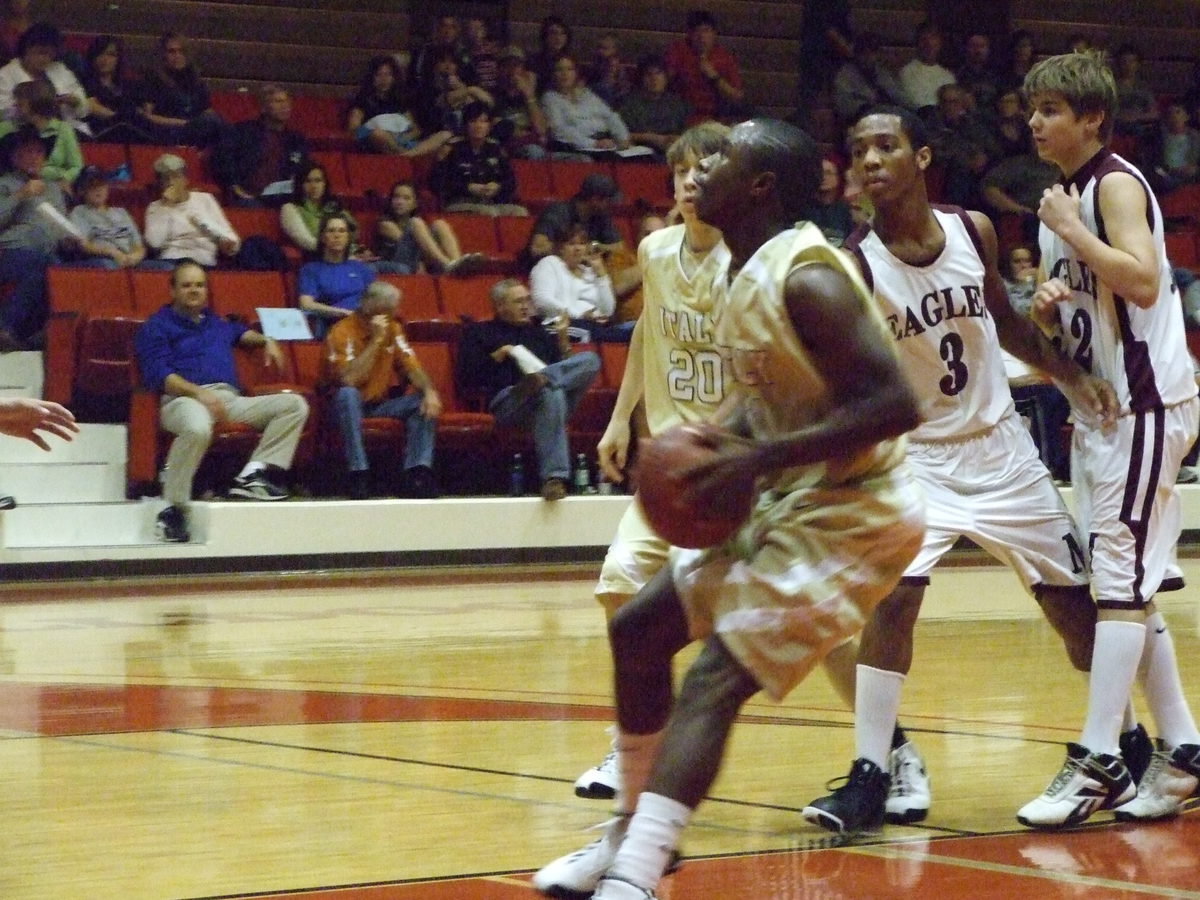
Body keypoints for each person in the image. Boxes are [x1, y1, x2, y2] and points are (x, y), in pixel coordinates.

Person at [532, 118, 925, 900]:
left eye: (723, 161)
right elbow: (775, 393)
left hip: (856, 514)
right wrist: (719, 439)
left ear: (760, 187)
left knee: (714, 677)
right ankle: (629, 836)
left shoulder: (808, 278)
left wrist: (754, 458)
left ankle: (637, 874)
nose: (701, 171)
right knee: (637, 628)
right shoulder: (742, 270)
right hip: (795, 498)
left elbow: (893, 405)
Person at [800, 104, 1118, 836]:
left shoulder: (973, 229)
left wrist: (1070, 375)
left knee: (1075, 613)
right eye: (858, 150)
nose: (870, 160)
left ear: (922, 157)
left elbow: (1004, 324)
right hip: (921, 457)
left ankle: (1122, 742)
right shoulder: (853, 265)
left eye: (886, 146)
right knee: (894, 601)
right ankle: (871, 772)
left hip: (1003, 448)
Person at [1018, 51, 1200, 828]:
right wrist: (1047, 308)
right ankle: (1185, 750)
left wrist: (1072, 234)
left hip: (1146, 405)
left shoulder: (1114, 185)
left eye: (1051, 110)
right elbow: (1085, 310)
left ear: (1092, 117)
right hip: (1103, 413)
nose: (1034, 122)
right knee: (1130, 587)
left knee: (1117, 586)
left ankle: (1098, 756)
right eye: (1032, 109)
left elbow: (1147, 279)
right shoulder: (1059, 203)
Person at [134, 259, 310, 543]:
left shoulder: (216, 323)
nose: (194, 290)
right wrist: (198, 393)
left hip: (228, 399)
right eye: (187, 285)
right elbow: (159, 375)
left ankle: (253, 475)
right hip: (182, 400)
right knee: (197, 427)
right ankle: (173, 508)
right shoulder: (156, 326)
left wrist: (267, 340)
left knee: (294, 405)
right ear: (173, 290)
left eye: (200, 285)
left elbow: (242, 333)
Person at [456, 279, 600, 501]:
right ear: (500, 306)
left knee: (589, 360)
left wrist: (563, 342)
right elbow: (467, 378)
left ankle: (542, 380)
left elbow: (569, 371)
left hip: (548, 402)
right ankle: (554, 478)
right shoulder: (478, 333)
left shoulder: (540, 334)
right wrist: (498, 356)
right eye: (518, 301)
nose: (526, 306)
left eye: (527, 300)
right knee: (553, 392)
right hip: (509, 402)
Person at [324, 280, 441, 499]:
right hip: (343, 407)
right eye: (387, 310)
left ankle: (417, 473)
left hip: (378, 404)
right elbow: (349, 380)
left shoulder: (394, 328)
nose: (394, 314)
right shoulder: (341, 331)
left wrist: (429, 392)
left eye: (393, 310)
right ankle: (358, 473)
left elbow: (412, 368)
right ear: (368, 306)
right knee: (348, 394)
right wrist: (376, 341)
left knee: (422, 401)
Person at [0, 124, 78, 351]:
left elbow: (62, 226)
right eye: (28, 151)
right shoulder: (5, 184)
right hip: (10, 253)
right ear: (15, 157)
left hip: (48, 255)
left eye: (39, 152)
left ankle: (45, 336)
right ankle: (5, 326)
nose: (34, 157)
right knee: (46, 265)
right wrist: (20, 195)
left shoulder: (53, 189)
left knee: (67, 269)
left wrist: (68, 241)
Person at [210, 84, 310, 208]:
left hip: (283, 197)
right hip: (249, 195)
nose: (285, 106)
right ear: (263, 107)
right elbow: (222, 159)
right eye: (278, 101)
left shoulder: (297, 139)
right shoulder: (243, 131)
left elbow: (304, 169)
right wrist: (234, 186)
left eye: (287, 102)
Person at [143, 152, 240, 269]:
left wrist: (224, 241)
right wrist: (166, 207)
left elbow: (232, 240)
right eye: (165, 178)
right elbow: (155, 243)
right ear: (160, 183)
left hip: (204, 262)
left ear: (185, 179)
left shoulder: (205, 199)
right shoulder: (155, 207)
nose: (171, 182)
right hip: (172, 262)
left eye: (176, 176)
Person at [346, 55, 450, 157]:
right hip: (377, 141)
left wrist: (400, 138)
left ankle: (405, 155)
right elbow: (354, 130)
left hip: (401, 141)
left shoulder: (399, 100)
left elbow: (415, 130)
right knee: (379, 134)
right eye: (379, 75)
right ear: (372, 78)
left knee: (445, 135)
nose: (384, 79)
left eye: (388, 75)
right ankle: (405, 156)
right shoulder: (363, 101)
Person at [434, 102, 526, 216]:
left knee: (520, 212)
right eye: (473, 121)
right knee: (487, 213)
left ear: (489, 126)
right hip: (460, 202)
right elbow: (438, 182)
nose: (478, 126)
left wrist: (498, 187)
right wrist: (468, 187)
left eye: (483, 121)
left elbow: (511, 181)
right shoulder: (452, 148)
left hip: (492, 202)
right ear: (466, 125)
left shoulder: (496, 149)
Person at [373, 180, 481, 275]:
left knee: (439, 224)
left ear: (415, 204)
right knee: (416, 222)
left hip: (419, 259)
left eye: (406, 198)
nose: (400, 202)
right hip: (397, 261)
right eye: (396, 197)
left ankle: (457, 263)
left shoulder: (417, 221)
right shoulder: (385, 223)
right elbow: (412, 246)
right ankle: (448, 265)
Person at [530, 221, 618, 337]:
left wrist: (601, 274)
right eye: (571, 244)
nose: (577, 248)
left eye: (582, 244)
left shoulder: (590, 272)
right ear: (560, 248)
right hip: (563, 325)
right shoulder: (549, 264)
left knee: (635, 330)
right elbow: (542, 300)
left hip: (597, 326)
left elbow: (608, 310)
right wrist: (580, 315)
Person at [136, 32, 225, 147]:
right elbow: (148, 116)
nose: (177, 56)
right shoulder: (153, 80)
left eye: (181, 51)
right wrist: (186, 123)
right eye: (171, 51)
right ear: (163, 55)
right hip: (169, 132)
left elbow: (206, 110)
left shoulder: (195, 80)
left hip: (196, 131)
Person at [0, 22, 88, 136]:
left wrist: (75, 102)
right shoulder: (5, 75)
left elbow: (83, 108)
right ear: (26, 48)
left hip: (65, 130)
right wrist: (29, 107)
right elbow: (2, 112)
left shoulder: (60, 69)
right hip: (20, 133)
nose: (46, 58)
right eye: (41, 52)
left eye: (51, 54)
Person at [298, 213, 375, 338]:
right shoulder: (311, 269)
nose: (337, 235)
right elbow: (306, 304)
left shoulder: (360, 268)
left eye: (342, 231)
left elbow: (375, 299)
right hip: (335, 324)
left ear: (348, 237)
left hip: (364, 322)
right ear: (323, 237)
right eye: (331, 231)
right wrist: (341, 312)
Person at [0, 79, 82, 194]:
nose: (15, 106)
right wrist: (53, 172)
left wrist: (64, 178)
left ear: (36, 105)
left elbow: (76, 166)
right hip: (14, 186)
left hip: (55, 186)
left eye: (20, 103)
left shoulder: (63, 129)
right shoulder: (6, 128)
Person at [663, 9, 747, 123]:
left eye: (706, 31)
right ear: (689, 34)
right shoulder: (678, 51)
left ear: (714, 33)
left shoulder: (724, 57)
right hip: (681, 115)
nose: (701, 36)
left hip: (715, 117)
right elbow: (664, 82)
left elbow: (737, 96)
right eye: (696, 31)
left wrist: (714, 77)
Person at [541, 54, 632, 157]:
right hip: (578, 147)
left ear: (576, 73)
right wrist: (594, 143)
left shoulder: (587, 94)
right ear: (553, 74)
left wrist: (623, 138)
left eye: (569, 69)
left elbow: (610, 116)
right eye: (559, 69)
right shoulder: (550, 98)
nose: (564, 74)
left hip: (606, 142)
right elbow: (559, 130)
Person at [525, 172, 624, 267]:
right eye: (608, 201)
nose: (611, 205)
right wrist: (571, 249)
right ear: (595, 199)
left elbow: (620, 247)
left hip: (582, 270)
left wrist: (597, 246)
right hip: (551, 267)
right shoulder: (558, 212)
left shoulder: (601, 216)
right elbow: (537, 248)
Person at [68, 165, 147, 269]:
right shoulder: (79, 211)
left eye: (101, 184)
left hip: (129, 259)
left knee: (161, 268)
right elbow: (84, 245)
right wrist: (111, 252)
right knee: (108, 266)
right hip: (103, 259)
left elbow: (138, 246)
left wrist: (135, 257)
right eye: (92, 185)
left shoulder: (121, 212)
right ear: (82, 190)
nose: (98, 189)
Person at [278, 162, 360, 260]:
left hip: (347, 255)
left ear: (324, 184)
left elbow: (353, 233)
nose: (314, 186)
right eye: (308, 181)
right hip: (318, 258)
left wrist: (358, 251)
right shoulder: (290, 208)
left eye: (318, 181)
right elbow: (306, 241)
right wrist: (342, 251)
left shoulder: (334, 206)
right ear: (300, 184)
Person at [82, 35, 153, 143]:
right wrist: (122, 118)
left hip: (133, 133)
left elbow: (144, 112)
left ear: (118, 59)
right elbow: (91, 106)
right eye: (100, 54)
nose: (105, 59)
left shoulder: (128, 86)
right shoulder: (85, 82)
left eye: (111, 55)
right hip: (102, 134)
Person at [618, 55, 690, 158]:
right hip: (637, 155)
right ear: (641, 78)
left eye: (658, 73)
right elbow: (618, 134)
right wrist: (650, 138)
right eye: (649, 74)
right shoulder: (629, 103)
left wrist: (675, 139)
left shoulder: (677, 103)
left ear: (666, 77)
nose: (654, 79)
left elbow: (687, 134)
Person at [832, 31, 910, 124]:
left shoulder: (881, 72)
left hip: (888, 115)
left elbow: (897, 94)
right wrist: (864, 107)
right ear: (857, 53)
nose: (868, 55)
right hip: (861, 120)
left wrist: (916, 109)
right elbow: (842, 103)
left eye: (872, 51)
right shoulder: (845, 74)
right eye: (864, 51)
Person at [490, 44, 549, 160]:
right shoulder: (494, 94)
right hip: (508, 147)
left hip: (532, 145)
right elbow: (498, 127)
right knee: (534, 151)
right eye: (507, 65)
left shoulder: (532, 95)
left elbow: (541, 130)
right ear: (499, 69)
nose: (512, 70)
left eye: (516, 65)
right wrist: (522, 133)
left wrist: (529, 95)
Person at [899, 20, 956, 112]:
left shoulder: (948, 76)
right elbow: (915, 103)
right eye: (924, 39)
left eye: (933, 38)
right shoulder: (907, 73)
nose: (929, 44)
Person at [527, 16, 573, 94]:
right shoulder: (534, 61)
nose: (558, 38)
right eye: (553, 33)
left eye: (563, 33)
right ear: (545, 36)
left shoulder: (570, 61)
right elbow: (530, 89)